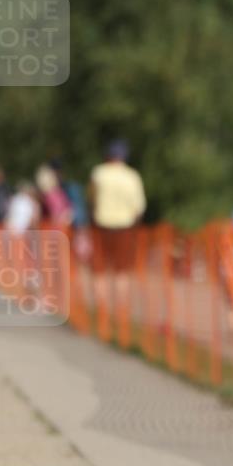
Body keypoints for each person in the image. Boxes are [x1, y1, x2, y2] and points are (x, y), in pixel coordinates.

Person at [88, 139, 146, 341]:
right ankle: (121, 316)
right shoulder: (132, 177)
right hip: (125, 228)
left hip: (101, 226)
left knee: (99, 272)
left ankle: (102, 316)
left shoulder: (99, 173)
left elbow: (92, 199)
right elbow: (139, 207)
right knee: (122, 273)